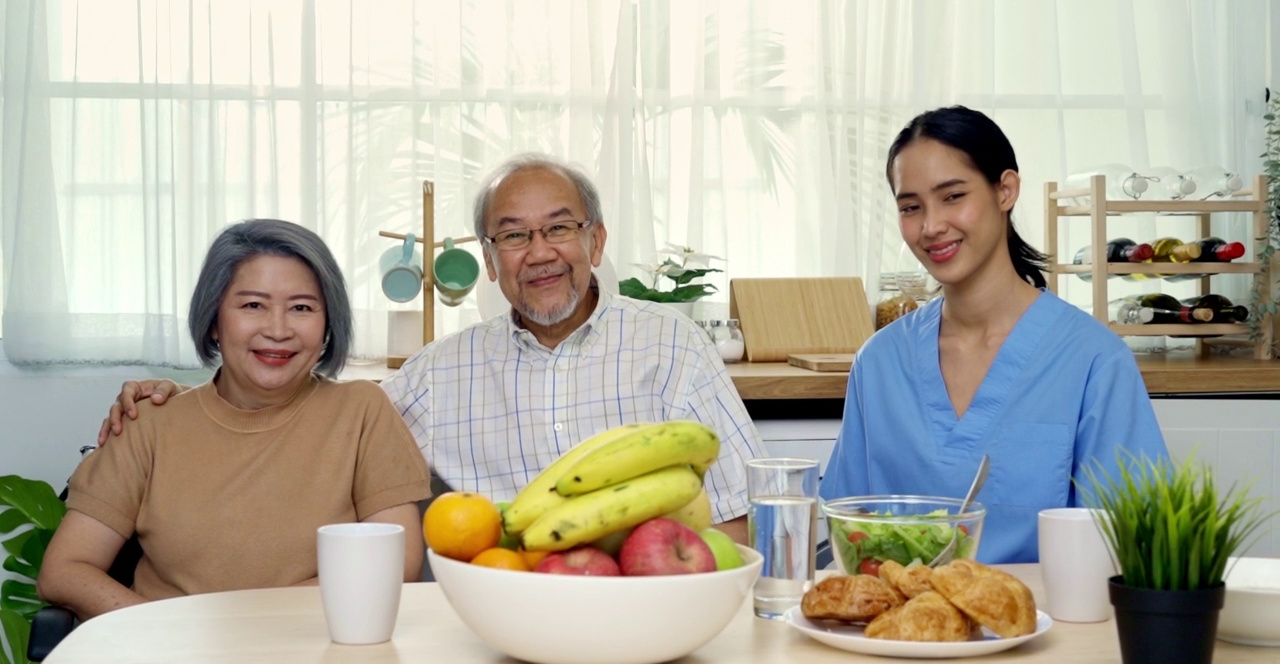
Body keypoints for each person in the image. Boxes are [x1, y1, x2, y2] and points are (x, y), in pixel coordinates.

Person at [99, 155, 766, 543]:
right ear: (489, 259)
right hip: (496, 615)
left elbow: (742, 513)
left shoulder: (670, 344)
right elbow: (314, 420)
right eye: (512, 236)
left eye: (558, 229)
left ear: (595, 243)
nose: (538, 253)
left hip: (648, 608)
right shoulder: (441, 373)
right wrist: (189, 400)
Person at [818, 106, 1168, 564]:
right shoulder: (880, 362)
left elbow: (1132, 551)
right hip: (897, 630)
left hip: (1041, 629)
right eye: (910, 207)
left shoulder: (1093, 361)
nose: (930, 226)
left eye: (952, 196)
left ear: (1006, 190)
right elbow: (845, 534)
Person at [40, 220, 431, 620]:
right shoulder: (150, 422)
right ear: (213, 320)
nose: (278, 330)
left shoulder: (362, 411)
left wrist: (236, 631)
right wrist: (163, 636)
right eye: (252, 305)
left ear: (328, 324)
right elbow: (65, 570)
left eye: (301, 308)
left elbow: (395, 566)